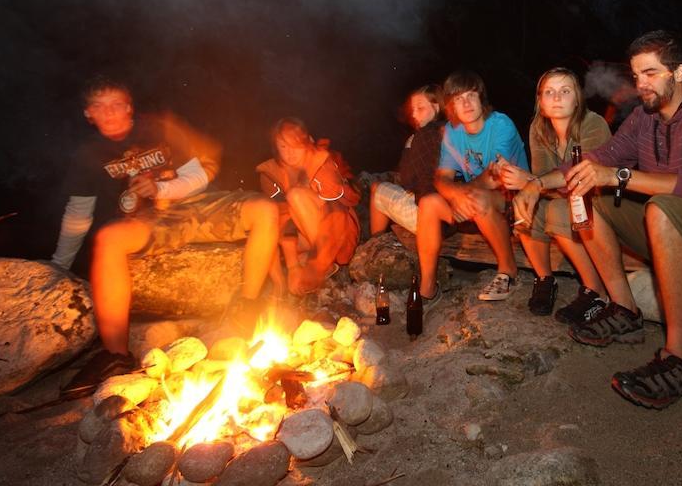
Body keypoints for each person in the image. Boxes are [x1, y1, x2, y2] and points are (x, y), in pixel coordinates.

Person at [55, 77, 280, 397]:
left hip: (198, 203)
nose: (110, 113)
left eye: (117, 104)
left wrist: (161, 188)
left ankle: (248, 305)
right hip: (155, 218)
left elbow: (200, 174)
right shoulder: (89, 154)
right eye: (100, 107)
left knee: (265, 210)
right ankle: (116, 355)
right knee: (109, 239)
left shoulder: (158, 128)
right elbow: (78, 212)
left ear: (130, 107)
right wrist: (59, 266)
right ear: (88, 114)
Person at [562, 29, 682, 409]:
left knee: (659, 206)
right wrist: (533, 184)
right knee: (591, 192)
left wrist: (621, 176)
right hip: (669, 229)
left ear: (678, 73)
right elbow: (603, 157)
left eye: (651, 73)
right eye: (637, 75)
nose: (641, 84)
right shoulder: (647, 115)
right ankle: (624, 310)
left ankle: (679, 360)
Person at [502, 67, 612, 319]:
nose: (557, 98)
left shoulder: (593, 124)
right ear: (540, 102)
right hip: (566, 196)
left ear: (577, 99)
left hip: (601, 202)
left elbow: (585, 182)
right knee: (525, 207)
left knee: (557, 209)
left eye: (565, 91)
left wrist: (529, 181)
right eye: (549, 92)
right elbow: (544, 180)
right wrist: (527, 185)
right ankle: (544, 279)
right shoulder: (539, 128)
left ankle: (596, 291)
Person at [416, 70, 528, 304]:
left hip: (515, 201)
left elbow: (496, 178)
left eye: (471, 96)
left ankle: (508, 271)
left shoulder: (500, 125)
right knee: (428, 203)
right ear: (451, 106)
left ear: (481, 98)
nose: (465, 103)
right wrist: (458, 194)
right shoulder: (451, 132)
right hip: (473, 203)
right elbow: (441, 178)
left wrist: (461, 193)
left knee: (477, 197)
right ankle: (427, 290)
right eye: (458, 98)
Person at [257, 118, 361, 296]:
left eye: (295, 145)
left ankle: (323, 264)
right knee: (265, 218)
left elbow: (336, 215)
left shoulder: (321, 164)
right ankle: (279, 286)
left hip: (339, 237)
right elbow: (282, 219)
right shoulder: (271, 174)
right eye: (283, 146)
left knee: (295, 196)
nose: (289, 153)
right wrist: (293, 266)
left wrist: (317, 264)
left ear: (307, 142)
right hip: (305, 239)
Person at [369, 84, 445, 236]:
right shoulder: (452, 130)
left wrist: (409, 149)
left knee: (377, 188)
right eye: (413, 110)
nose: (415, 115)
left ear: (437, 107)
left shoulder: (423, 135)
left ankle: (376, 242)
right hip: (448, 213)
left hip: (429, 219)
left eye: (420, 108)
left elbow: (408, 181)